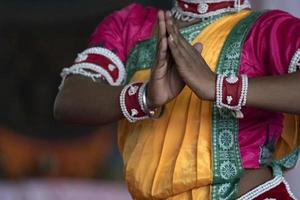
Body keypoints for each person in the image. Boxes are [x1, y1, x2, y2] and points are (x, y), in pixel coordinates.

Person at [54, 0, 300, 199]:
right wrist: (144, 96)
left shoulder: (269, 29)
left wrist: (218, 86)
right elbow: (68, 100)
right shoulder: (131, 25)